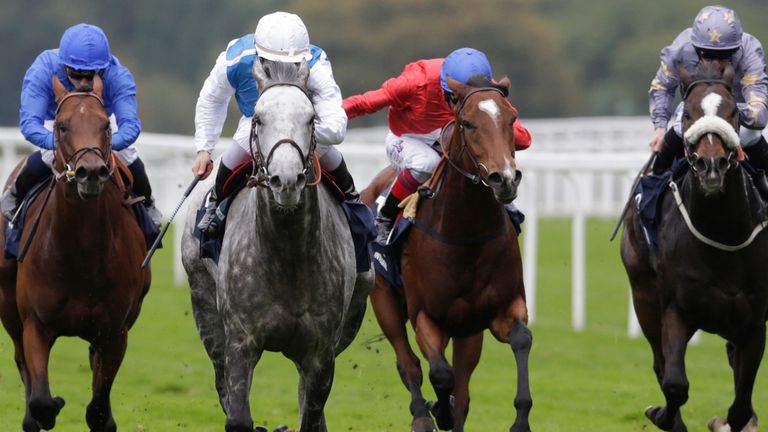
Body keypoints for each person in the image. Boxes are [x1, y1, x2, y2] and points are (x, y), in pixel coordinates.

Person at [343, 47, 532, 244]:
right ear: (447, 91)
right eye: (458, 99)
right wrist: (328, 117)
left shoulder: (484, 88)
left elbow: (523, 138)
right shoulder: (414, 82)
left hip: (446, 133)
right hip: (406, 137)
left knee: (474, 153)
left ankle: (502, 204)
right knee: (427, 163)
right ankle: (385, 218)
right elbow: (364, 103)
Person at [193, 11, 356, 236]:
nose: (283, 70)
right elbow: (212, 99)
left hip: (303, 125)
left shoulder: (316, 63)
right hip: (258, 123)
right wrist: (204, 149)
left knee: (334, 159)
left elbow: (335, 124)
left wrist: (303, 132)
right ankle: (214, 205)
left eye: (292, 65)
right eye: (274, 64)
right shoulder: (235, 58)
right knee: (231, 158)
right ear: (259, 55)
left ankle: (356, 208)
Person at [6, 23, 161, 225]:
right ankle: (13, 196)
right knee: (48, 155)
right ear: (64, 67)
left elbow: (130, 126)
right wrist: (60, 142)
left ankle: (148, 205)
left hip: (97, 123)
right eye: (77, 75)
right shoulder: (43, 69)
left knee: (127, 154)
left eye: (92, 75)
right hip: (58, 121)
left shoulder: (119, 76)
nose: (84, 83)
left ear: (104, 68)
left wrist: (103, 144)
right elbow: (30, 123)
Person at [649, 5, 768, 178]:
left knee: (752, 135)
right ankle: (651, 186)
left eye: (724, 56)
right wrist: (660, 127)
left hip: (735, 117)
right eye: (708, 56)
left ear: (736, 50)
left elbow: (759, 115)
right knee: (677, 127)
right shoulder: (681, 48)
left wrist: (722, 110)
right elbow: (662, 87)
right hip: (695, 114)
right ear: (696, 50)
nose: (716, 64)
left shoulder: (750, 51)